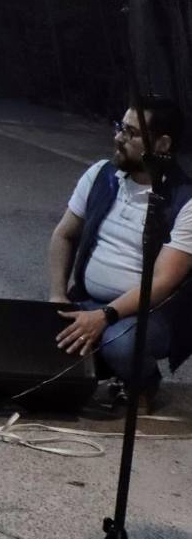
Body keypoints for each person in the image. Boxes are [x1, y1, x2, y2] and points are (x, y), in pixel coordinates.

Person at [50, 98, 192, 408]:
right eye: (120, 127)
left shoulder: (185, 201)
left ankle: (143, 382)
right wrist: (57, 296)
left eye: (131, 133)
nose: (118, 138)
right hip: (87, 300)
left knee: (120, 344)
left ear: (163, 144)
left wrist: (104, 316)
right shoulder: (101, 174)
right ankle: (101, 365)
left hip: (150, 315)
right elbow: (63, 234)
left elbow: (163, 282)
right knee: (36, 336)